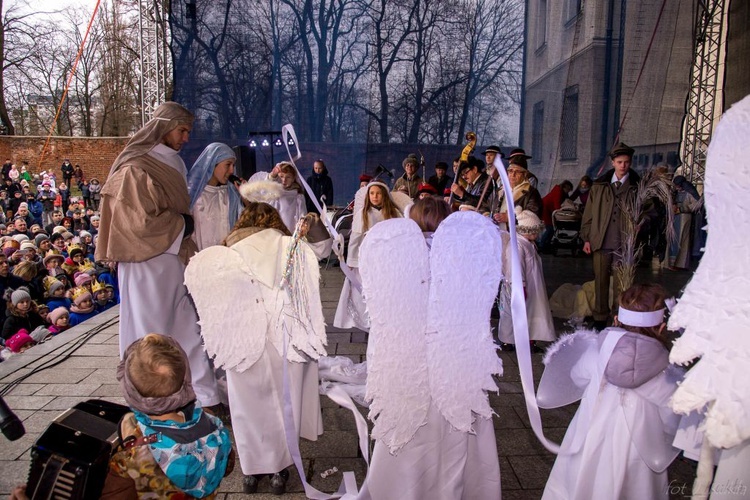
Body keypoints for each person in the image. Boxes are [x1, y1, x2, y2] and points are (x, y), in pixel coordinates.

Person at [357, 211, 503, 499]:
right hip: (456, 368)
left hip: (409, 371)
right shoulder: (463, 259)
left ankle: (401, 490)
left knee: (411, 438)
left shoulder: (396, 260)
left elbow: (383, 323)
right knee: (457, 433)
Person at [185, 202, 326, 495]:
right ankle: (279, 468)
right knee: (283, 404)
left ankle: (251, 470)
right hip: (284, 338)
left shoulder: (227, 252)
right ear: (274, 220)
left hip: (242, 340)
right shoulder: (290, 245)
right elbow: (320, 260)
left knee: (245, 406)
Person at [95, 101, 221, 410]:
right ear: (163, 127)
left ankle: (205, 396)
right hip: (146, 264)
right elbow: (137, 223)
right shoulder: (136, 166)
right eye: (182, 130)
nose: (186, 138)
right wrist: (182, 225)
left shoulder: (172, 162)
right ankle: (149, 400)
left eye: (188, 131)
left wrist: (182, 228)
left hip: (173, 261)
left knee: (187, 328)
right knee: (150, 335)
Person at [540, 283, 682, 499]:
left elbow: (577, 375)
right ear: (661, 328)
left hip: (590, 440)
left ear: (616, 320)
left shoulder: (597, 352)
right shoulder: (665, 371)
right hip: (637, 454)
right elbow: (672, 417)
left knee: (579, 483)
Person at [581, 142, 641, 330]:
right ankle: (600, 317)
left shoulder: (637, 187)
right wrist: (587, 238)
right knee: (600, 281)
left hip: (624, 244)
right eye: (620, 162)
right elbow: (588, 214)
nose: (623, 165)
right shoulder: (599, 186)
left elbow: (649, 212)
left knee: (622, 285)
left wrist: (640, 226)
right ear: (613, 163)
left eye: (627, 162)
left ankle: (619, 317)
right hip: (601, 241)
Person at [334, 181, 402, 331]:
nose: (375, 196)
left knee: (385, 290)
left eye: (378, 193)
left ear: (384, 195)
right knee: (365, 291)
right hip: (367, 260)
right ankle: (369, 320)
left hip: (387, 259)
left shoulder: (393, 214)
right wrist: (351, 261)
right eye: (372, 193)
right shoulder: (363, 214)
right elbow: (355, 240)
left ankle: (386, 318)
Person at [498, 208, 556, 351]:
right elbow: (515, 266)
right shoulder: (517, 244)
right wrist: (520, 285)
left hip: (530, 285)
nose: (537, 234)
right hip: (520, 285)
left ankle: (526, 339)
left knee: (528, 313)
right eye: (535, 231)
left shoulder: (526, 243)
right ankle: (509, 340)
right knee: (514, 314)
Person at [186, 142, 241, 251]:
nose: (231, 170)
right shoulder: (193, 196)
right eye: (228, 164)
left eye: (233, 166)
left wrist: (245, 198)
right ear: (212, 163)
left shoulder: (232, 195)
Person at [494, 155, 543, 228]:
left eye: (517, 172)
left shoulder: (531, 192)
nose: (513, 175)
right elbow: (488, 206)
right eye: (510, 171)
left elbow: (533, 217)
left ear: (525, 174)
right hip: (497, 232)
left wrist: (509, 218)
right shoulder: (501, 190)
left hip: (518, 235)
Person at [668, 175, 701, 270]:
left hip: (685, 219)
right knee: (673, 240)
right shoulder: (675, 193)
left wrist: (682, 209)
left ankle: (680, 264)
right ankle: (672, 263)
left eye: (678, 185)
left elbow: (696, 204)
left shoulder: (689, 193)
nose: (676, 187)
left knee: (683, 240)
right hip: (675, 218)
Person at [539, 180, 573, 252]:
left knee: (551, 229)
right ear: (565, 188)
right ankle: (542, 245)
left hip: (548, 209)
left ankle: (546, 245)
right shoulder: (558, 192)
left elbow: (567, 200)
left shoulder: (561, 191)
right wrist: (562, 212)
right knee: (550, 228)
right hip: (546, 210)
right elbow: (557, 204)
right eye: (568, 190)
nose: (568, 192)